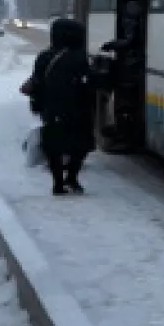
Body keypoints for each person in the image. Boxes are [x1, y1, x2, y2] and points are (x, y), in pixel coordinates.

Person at [24, 18, 104, 196]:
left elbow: (37, 81)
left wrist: (37, 104)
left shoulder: (44, 57)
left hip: (52, 110)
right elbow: (92, 81)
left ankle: (58, 183)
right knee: (80, 145)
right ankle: (72, 178)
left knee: (54, 147)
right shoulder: (79, 56)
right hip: (79, 109)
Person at [100, 1, 143, 152]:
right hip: (127, 73)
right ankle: (122, 135)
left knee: (125, 107)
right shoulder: (136, 23)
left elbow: (128, 42)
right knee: (122, 106)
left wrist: (112, 45)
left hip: (129, 75)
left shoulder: (133, 26)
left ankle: (125, 138)